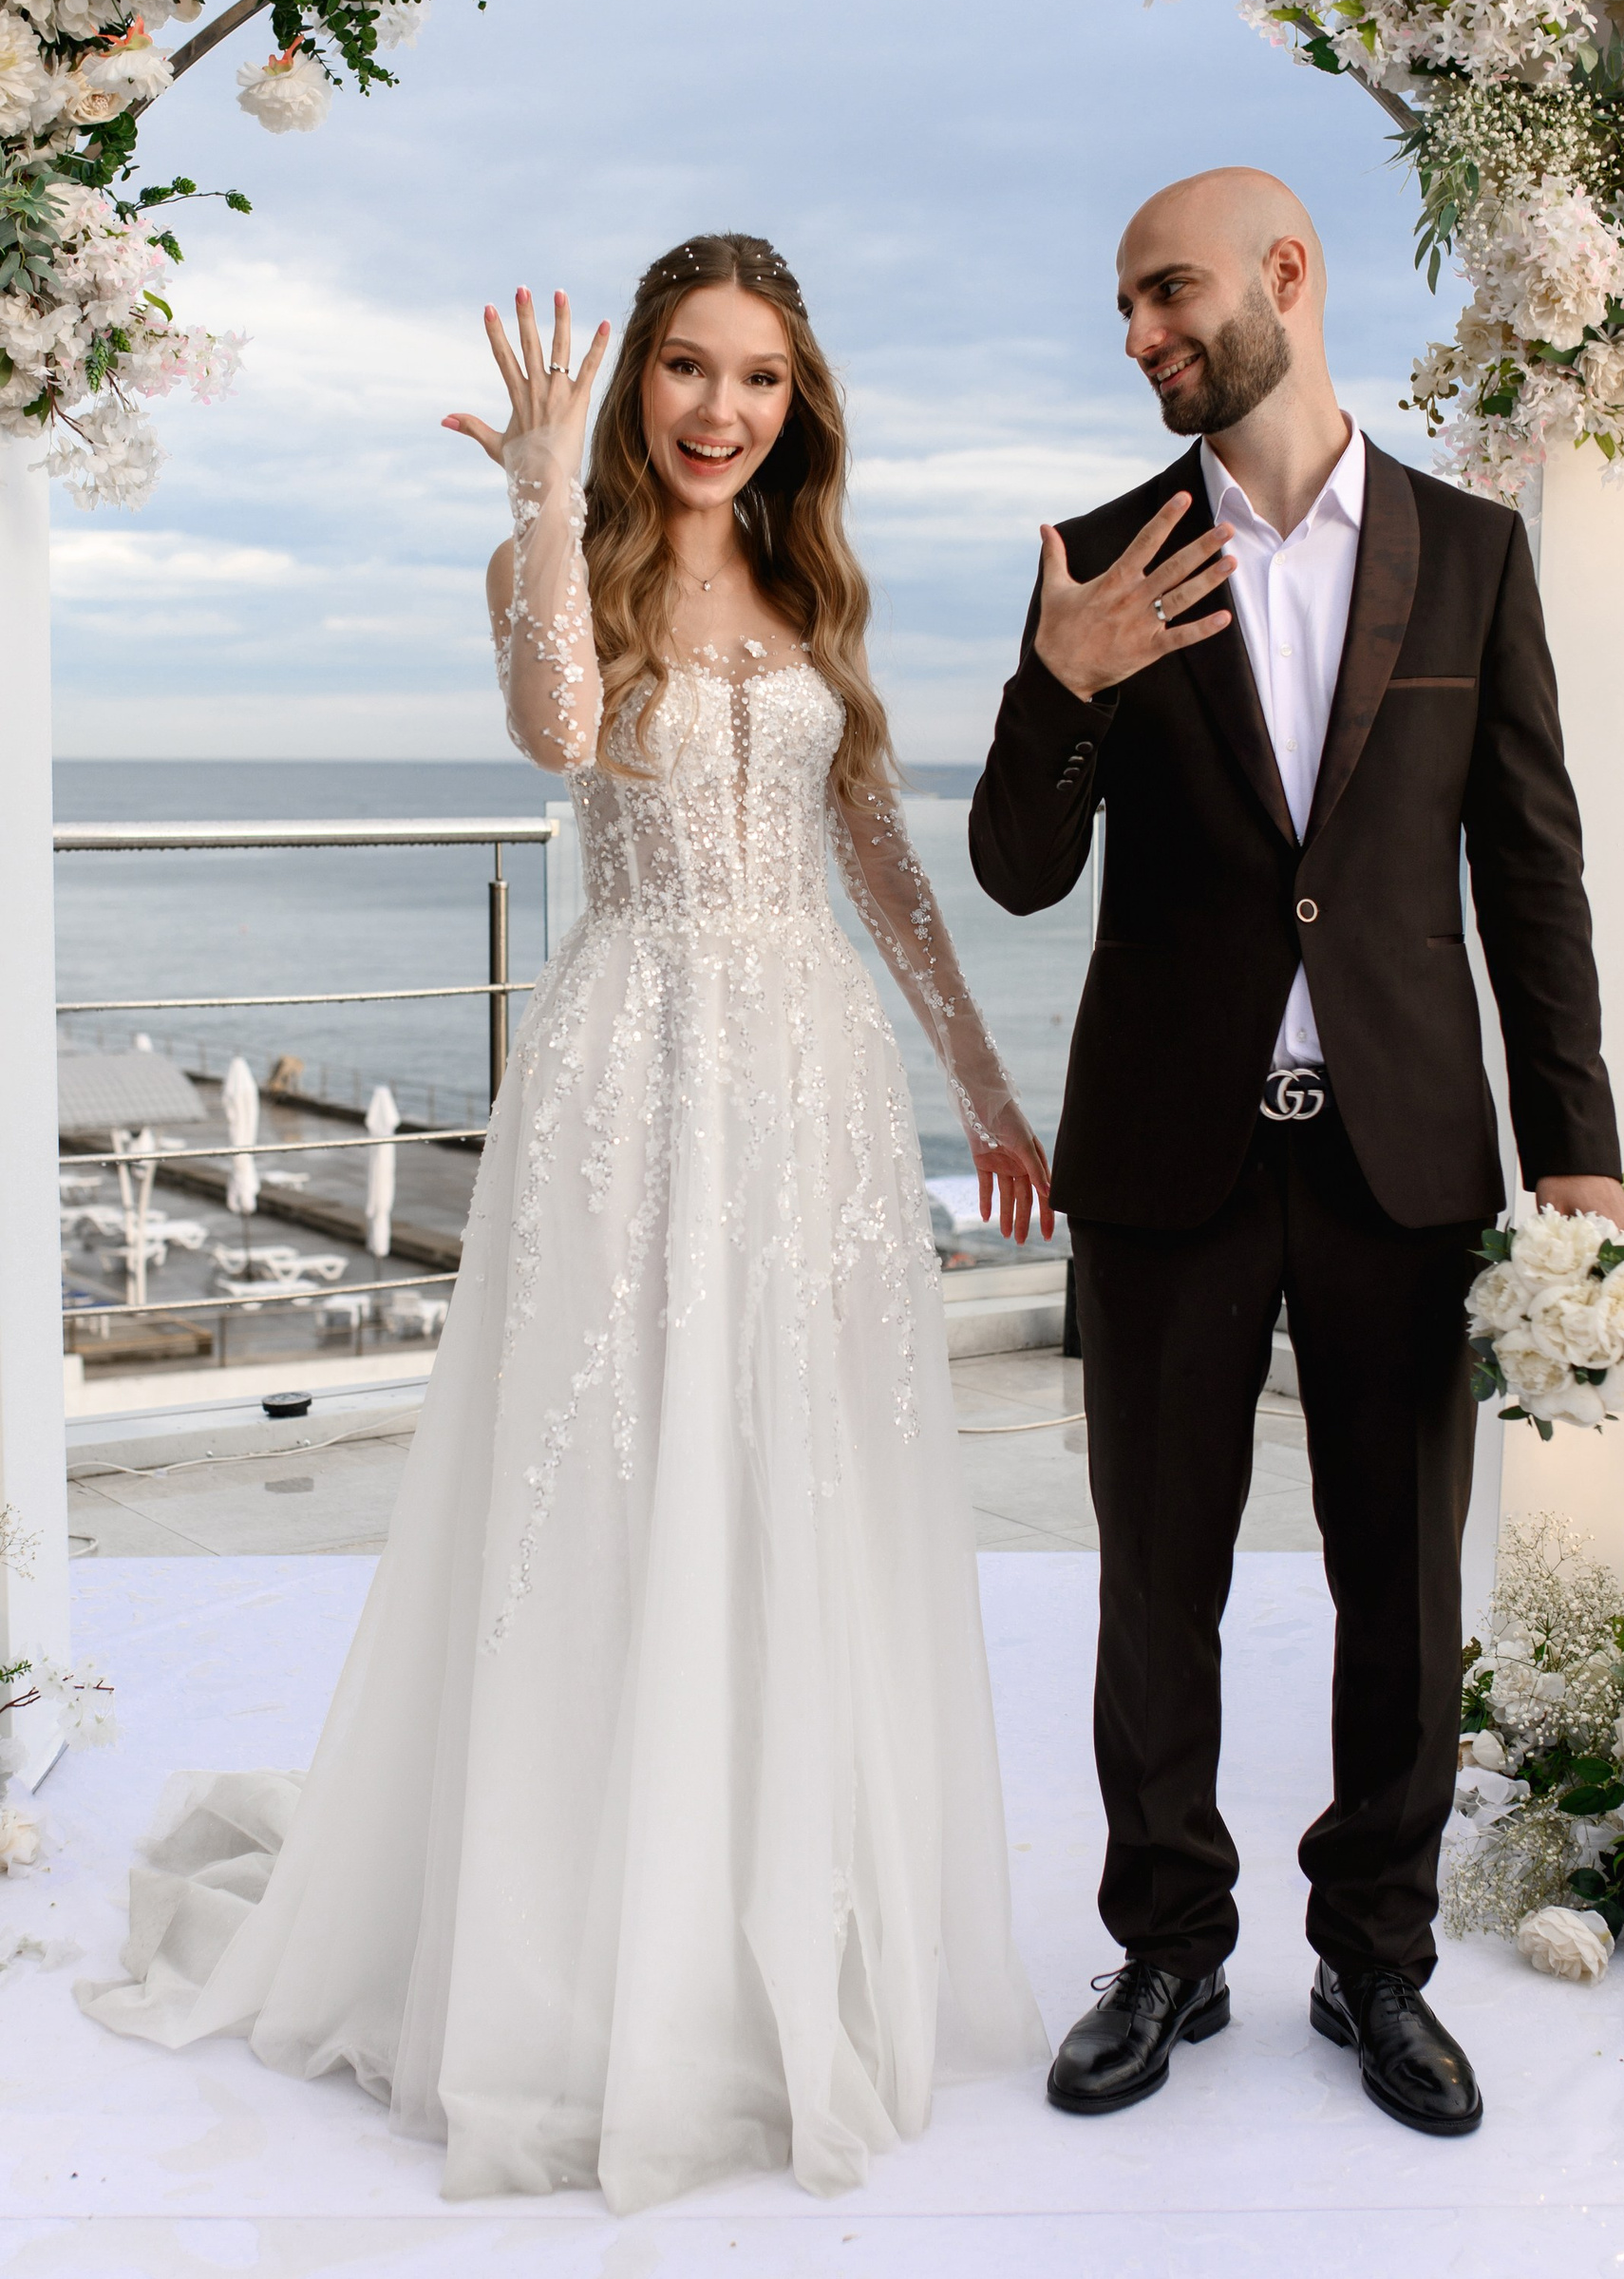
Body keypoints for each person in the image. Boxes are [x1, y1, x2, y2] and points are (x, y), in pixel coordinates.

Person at [79, 234, 1052, 2210]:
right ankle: (596, 1958)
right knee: (612, 1472)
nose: (720, 410)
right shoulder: (564, 565)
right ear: (638, 387)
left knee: (796, 1474)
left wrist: (980, 1077)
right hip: (636, 1066)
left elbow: (877, 859)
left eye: (758, 378)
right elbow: (550, 735)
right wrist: (540, 497)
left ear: (798, 402)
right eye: (687, 368)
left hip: (810, 1079)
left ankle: (772, 1915)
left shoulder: (816, 587)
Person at [969, 168, 1624, 2139]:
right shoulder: (1101, 554)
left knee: (1401, 1589)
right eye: (1124, 306)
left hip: (1399, 1155)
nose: (1142, 335)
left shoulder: (1471, 552)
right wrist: (1062, 679)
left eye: (1168, 292)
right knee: (1154, 1578)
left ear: (1285, 273)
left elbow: (1531, 868)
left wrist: (1580, 1150)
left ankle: (1378, 1958)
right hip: (1167, 1153)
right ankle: (1168, 1945)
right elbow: (1017, 868)